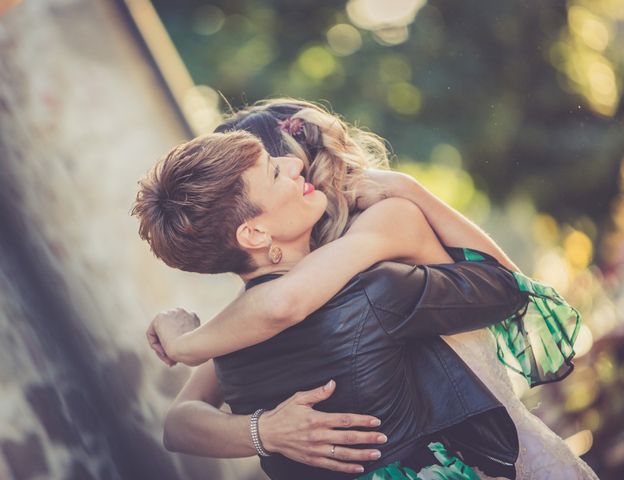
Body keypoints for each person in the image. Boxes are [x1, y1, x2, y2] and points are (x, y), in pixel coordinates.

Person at [134, 100, 598, 479]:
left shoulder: (237, 334)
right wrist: (262, 427)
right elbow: (507, 287)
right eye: (275, 171)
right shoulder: (370, 274)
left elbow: (180, 421)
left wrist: (195, 353)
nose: (294, 165)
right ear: (253, 233)